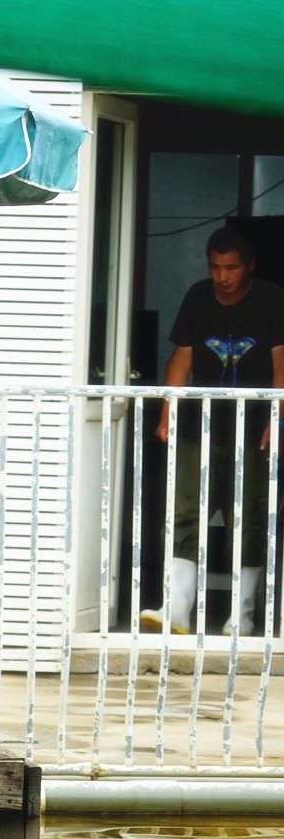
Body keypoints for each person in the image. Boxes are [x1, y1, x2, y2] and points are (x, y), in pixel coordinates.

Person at [141, 226, 284, 636]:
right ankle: (177, 610)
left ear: (249, 266)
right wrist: (167, 410)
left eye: (231, 268)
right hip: (197, 426)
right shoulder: (198, 297)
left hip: (254, 429)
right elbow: (182, 358)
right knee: (184, 511)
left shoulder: (272, 299)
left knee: (250, 516)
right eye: (215, 267)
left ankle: (242, 615)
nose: (222, 276)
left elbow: (281, 363)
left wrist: (278, 419)